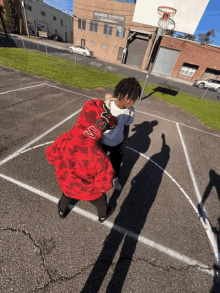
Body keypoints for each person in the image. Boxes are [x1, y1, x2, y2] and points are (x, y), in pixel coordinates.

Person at [46, 99, 118, 223]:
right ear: (100, 127)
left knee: (65, 198)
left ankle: (62, 212)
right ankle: (102, 216)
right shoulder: (99, 156)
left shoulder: (64, 138)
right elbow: (104, 185)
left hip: (67, 184)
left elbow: (51, 156)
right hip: (89, 191)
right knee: (101, 202)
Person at [99, 77, 141, 190]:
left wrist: (125, 142)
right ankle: (97, 179)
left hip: (118, 142)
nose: (131, 101)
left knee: (116, 164)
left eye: (134, 98)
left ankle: (115, 179)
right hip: (102, 141)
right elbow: (97, 124)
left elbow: (126, 126)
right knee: (99, 163)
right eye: (129, 98)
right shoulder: (108, 106)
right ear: (121, 95)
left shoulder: (131, 110)